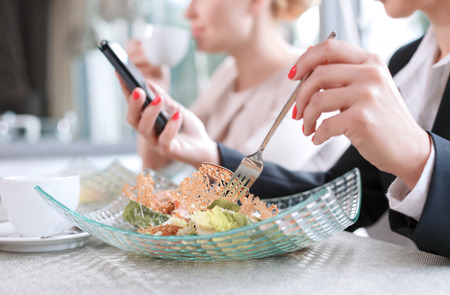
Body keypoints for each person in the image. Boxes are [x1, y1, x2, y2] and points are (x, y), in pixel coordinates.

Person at [120, 0, 450, 259]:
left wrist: (420, 158)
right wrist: (211, 154)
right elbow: (338, 198)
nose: (190, 10)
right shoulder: (404, 64)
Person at [126, 0, 349, 172]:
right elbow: (158, 167)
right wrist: (153, 93)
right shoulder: (228, 73)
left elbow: (249, 184)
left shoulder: (315, 81)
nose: (188, 12)